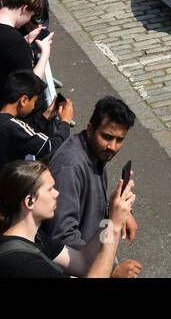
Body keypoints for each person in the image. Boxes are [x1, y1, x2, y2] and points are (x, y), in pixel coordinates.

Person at [0, 159, 137, 278]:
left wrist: (109, 220)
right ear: (29, 201)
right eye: (50, 189)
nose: (57, 193)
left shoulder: (35, 237)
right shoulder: (23, 264)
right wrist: (115, 228)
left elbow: (83, 262)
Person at [43, 96, 139, 255]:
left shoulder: (96, 154)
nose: (112, 147)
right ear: (90, 130)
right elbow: (62, 236)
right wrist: (106, 265)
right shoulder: (69, 167)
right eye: (107, 137)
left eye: (119, 139)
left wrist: (120, 212)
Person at [0, 71, 72, 198]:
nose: (34, 107)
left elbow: (24, 135)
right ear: (23, 100)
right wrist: (65, 122)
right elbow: (49, 146)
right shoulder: (13, 127)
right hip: (7, 192)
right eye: (34, 102)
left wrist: (44, 118)